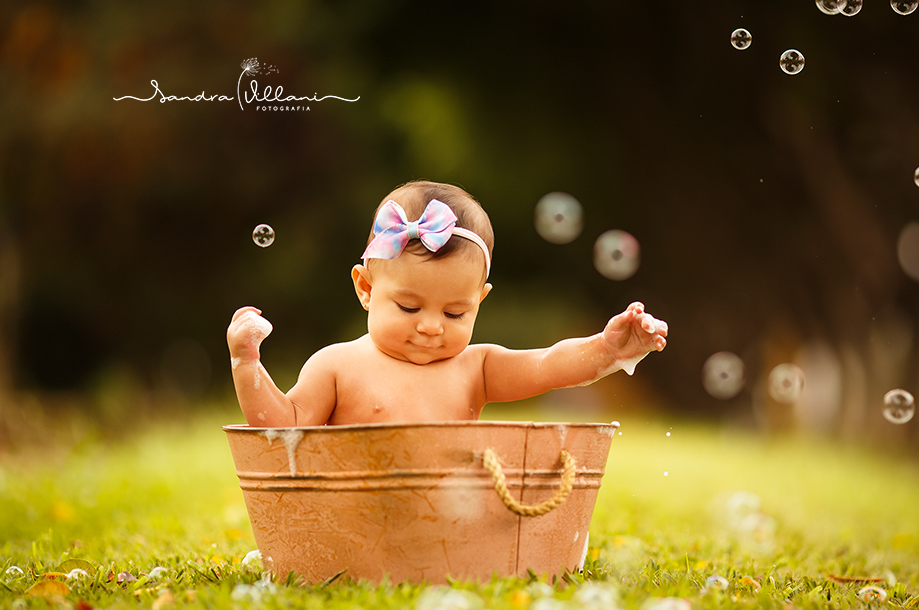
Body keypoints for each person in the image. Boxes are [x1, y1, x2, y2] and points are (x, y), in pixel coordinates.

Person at [227, 180, 667, 426]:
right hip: (358, 525)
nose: (432, 326)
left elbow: (550, 364)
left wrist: (610, 349)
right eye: (409, 307)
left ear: (480, 300)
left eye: (455, 312)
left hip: (449, 528)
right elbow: (281, 429)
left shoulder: (476, 368)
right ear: (365, 288)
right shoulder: (336, 367)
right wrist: (247, 363)